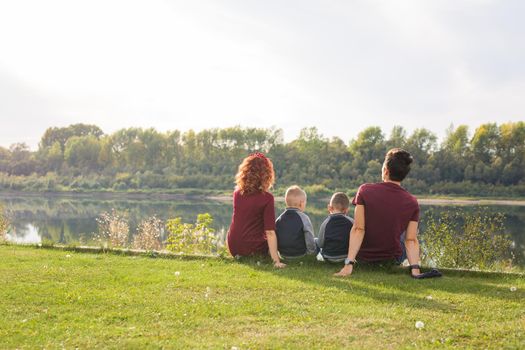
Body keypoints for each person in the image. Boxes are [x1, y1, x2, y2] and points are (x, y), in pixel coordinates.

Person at [335, 148, 441, 278]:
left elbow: (358, 229)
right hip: (392, 258)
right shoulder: (412, 201)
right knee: (404, 233)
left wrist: (349, 264)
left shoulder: (364, 190)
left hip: (363, 257)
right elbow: (411, 240)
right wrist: (415, 269)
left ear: (385, 170)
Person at [227, 152, 286, 268]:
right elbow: (269, 232)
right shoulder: (267, 198)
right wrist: (276, 261)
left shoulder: (237, 194)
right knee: (276, 232)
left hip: (233, 247)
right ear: (266, 175)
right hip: (252, 248)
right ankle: (275, 258)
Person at [275, 186, 315, 259]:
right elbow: (309, 237)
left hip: (283, 254)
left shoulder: (279, 219)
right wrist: (311, 253)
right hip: (300, 254)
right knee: (316, 241)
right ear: (301, 203)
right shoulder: (304, 218)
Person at [316, 192, 353, 262]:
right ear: (346, 210)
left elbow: (320, 244)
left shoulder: (326, 223)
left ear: (329, 208)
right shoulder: (352, 222)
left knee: (315, 240)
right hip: (347, 256)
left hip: (329, 256)